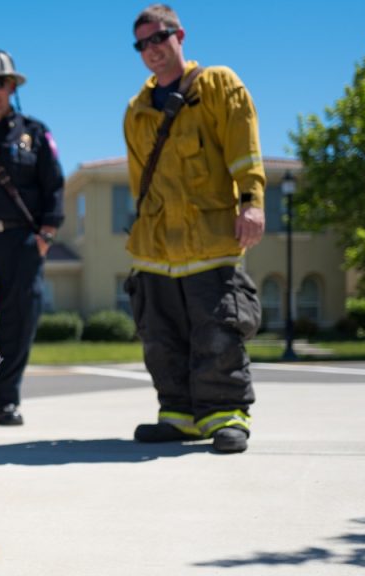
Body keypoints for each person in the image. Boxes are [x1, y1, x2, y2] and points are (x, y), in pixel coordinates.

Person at [123, 4, 265, 453]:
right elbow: (137, 183)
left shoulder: (219, 85)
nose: (152, 49)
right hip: (157, 249)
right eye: (142, 44)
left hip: (211, 241)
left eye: (159, 38)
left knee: (218, 330)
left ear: (179, 35)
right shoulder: (136, 110)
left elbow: (245, 152)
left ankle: (226, 415)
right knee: (161, 338)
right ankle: (179, 415)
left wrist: (252, 202)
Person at [0, 46, 65, 426]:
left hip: (24, 242)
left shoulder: (35, 134)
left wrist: (47, 235)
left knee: (20, 322)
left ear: (11, 86)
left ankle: (7, 398)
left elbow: (54, 185)